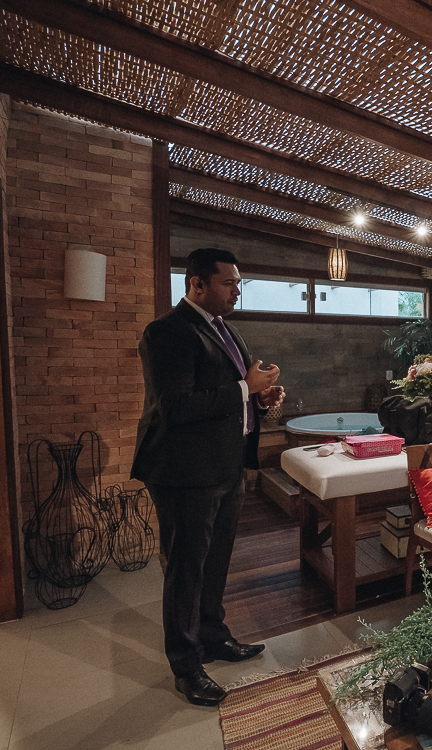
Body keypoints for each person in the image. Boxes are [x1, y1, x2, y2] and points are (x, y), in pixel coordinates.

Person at [132, 248, 285, 707]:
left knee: (216, 559)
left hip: (225, 464)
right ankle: (186, 663)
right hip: (185, 471)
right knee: (186, 568)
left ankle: (214, 636)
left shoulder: (226, 330)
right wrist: (245, 389)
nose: (237, 290)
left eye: (239, 283)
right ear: (197, 284)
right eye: (229, 283)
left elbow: (224, 395)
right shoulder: (167, 333)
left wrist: (258, 401)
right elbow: (175, 407)